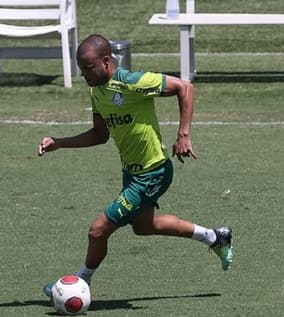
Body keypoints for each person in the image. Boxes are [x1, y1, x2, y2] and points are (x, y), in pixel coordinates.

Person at [38, 34, 233, 296]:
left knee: (98, 231)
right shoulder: (97, 93)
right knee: (144, 227)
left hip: (152, 173)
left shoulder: (131, 82)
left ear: (106, 61)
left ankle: (81, 281)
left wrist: (183, 135)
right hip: (131, 174)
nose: (83, 74)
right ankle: (215, 237)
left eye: (88, 68)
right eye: (80, 69)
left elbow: (185, 87)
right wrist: (60, 143)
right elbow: (100, 134)